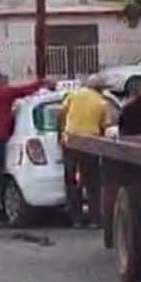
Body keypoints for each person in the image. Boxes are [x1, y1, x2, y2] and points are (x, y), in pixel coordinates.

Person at [0, 70, 53, 226]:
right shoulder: (0, 93)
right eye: (4, 79)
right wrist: (42, 83)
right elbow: (22, 91)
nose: (7, 81)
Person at [59, 74, 112, 227]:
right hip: (90, 143)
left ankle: (76, 218)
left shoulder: (73, 95)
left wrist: (62, 132)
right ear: (100, 88)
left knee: (71, 180)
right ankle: (95, 219)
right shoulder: (102, 103)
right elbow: (104, 126)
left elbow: (62, 114)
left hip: (71, 140)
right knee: (92, 182)